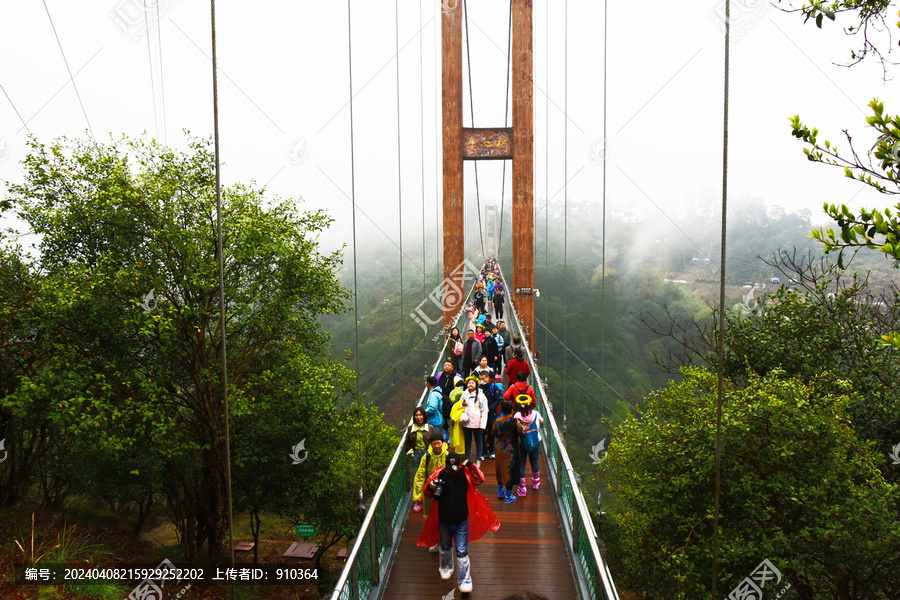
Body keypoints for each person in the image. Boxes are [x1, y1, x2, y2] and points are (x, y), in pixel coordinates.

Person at [417, 452, 500, 593]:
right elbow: (427, 493)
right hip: (444, 519)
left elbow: (480, 479)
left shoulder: (465, 474)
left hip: (461, 519)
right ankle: (446, 568)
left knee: (462, 551)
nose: (452, 471)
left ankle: (465, 581)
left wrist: (469, 464)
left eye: (454, 468)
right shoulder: (439, 475)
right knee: (445, 545)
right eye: (450, 468)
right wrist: (431, 486)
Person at [412, 432, 448, 519]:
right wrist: (419, 494)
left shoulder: (447, 456)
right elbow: (420, 475)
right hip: (430, 486)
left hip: (445, 487)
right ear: (430, 445)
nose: (436, 446)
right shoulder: (426, 457)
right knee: (430, 512)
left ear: (442, 444)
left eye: (438, 443)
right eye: (434, 444)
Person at [514, 394, 544, 497]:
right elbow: (541, 420)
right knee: (534, 462)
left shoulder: (517, 416)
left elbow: (516, 428)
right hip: (535, 441)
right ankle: (536, 484)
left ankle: (522, 488)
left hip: (523, 442)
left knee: (522, 464)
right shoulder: (535, 413)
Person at [492, 399, 521, 504]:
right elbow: (521, 433)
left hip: (500, 448)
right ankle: (508, 496)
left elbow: (494, 432)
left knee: (500, 469)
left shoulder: (497, 421)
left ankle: (500, 491)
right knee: (509, 471)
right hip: (511, 450)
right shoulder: (515, 421)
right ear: (512, 410)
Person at [458, 376, 488, 467]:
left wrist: (483, 424)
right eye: (469, 383)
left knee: (478, 440)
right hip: (466, 421)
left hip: (477, 422)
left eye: (472, 383)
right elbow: (459, 407)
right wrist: (462, 405)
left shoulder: (481, 395)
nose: (470, 384)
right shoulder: (464, 394)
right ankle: (467, 458)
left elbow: (484, 410)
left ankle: (478, 459)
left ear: (476, 385)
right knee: (467, 440)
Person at [477, 369, 502, 461]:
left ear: (488, 378)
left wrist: (489, 408)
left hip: (491, 413)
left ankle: (491, 450)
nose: (482, 381)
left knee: (491, 432)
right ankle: (483, 452)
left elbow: (497, 400)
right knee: (482, 433)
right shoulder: (479, 387)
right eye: (480, 379)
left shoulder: (493, 387)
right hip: (481, 414)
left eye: (483, 379)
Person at [405, 407, 436, 480]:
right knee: (415, 475)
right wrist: (412, 454)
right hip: (416, 454)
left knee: (427, 473)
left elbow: (435, 440)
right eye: (416, 415)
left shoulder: (430, 428)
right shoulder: (410, 428)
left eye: (420, 415)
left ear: (424, 416)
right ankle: (416, 490)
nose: (418, 417)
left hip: (427, 453)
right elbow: (408, 443)